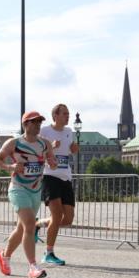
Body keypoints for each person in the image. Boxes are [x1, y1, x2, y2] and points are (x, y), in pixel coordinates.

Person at [0, 111, 58, 278]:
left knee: (22, 228)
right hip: (18, 188)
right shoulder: (14, 143)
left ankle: (4, 256)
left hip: (35, 190)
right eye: (34, 122)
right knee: (30, 224)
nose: (38, 125)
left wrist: (52, 162)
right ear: (25, 124)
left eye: (39, 122)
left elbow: (52, 161)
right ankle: (33, 267)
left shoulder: (45, 144)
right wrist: (11, 167)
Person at [39, 103, 79, 266]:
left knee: (68, 219)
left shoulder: (69, 132)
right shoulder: (45, 131)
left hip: (65, 177)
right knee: (56, 216)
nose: (67, 116)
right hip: (50, 176)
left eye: (68, 114)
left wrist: (74, 149)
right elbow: (36, 152)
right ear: (55, 115)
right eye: (64, 114)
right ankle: (48, 253)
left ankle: (38, 224)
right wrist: (50, 148)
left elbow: (69, 151)